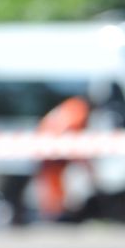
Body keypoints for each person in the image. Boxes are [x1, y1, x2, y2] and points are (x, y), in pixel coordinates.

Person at [33, 93, 91, 221]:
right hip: (55, 150)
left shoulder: (71, 106)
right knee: (55, 185)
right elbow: (72, 133)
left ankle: (53, 213)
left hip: (50, 147)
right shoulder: (78, 109)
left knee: (51, 184)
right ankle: (56, 214)